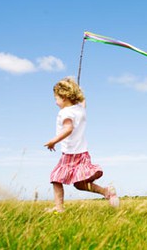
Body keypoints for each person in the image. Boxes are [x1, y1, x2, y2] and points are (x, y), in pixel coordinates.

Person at [44, 77, 119, 212]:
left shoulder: (65, 112)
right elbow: (83, 101)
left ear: (65, 97)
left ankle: (59, 208)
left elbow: (68, 129)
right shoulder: (80, 109)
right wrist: (76, 92)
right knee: (79, 184)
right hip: (82, 154)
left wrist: (53, 141)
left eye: (56, 99)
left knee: (55, 178)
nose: (55, 103)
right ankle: (106, 192)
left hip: (70, 154)